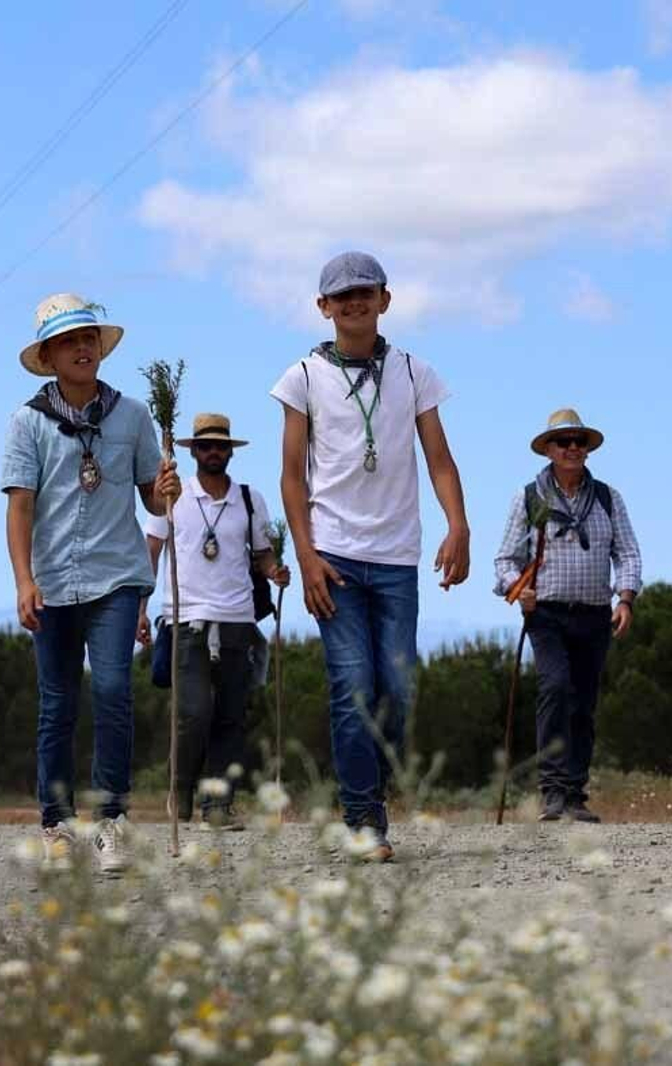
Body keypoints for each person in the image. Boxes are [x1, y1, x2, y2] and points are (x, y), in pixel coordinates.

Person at [272, 252, 471, 863]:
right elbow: (290, 476)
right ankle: (363, 821)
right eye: (342, 295)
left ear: (385, 299)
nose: (354, 303)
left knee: (399, 690)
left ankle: (372, 788)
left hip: (395, 557)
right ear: (323, 307)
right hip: (333, 555)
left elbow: (438, 456)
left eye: (365, 293)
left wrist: (458, 523)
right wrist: (305, 556)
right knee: (352, 687)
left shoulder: (414, 372)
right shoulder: (302, 377)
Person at [1, 292, 181, 874]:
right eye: (69, 342)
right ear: (48, 356)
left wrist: (164, 489)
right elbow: (20, 507)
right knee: (57, 705)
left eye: (89, 339)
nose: (82, 348)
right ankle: (56, 824)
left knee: (111, 691)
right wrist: (24, 580)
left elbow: (150, 492)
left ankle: (113, 821)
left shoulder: (131, 415)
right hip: (51, 581)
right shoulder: (27, 422)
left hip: (117, 575)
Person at [140, 413, 290, 830]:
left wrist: (275, 571)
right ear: (192, 451)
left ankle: (218, 804)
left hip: (238, 618)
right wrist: (141, 608)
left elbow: (262, 554)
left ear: (230, 451)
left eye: (220, 445)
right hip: (185, 618)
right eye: (205, 445)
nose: (213, 452)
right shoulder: (170, 495)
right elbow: (151, 553)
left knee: (230, 714)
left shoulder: (248, 499)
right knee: (193, 711)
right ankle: (180, 785)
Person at [494, 408, 642, 823]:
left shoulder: (608, 499)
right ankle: (552, 791)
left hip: (595, 615)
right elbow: (506, 559)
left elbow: (627, 552)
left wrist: (625, 599)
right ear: (549, 450)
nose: (573, 448)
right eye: (564, 442)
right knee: (555, 689)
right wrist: (517, 589)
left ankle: (575, 794)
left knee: (583, 703)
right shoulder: (528, 498)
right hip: (547, 615)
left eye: (579, 442)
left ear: (588, 450)